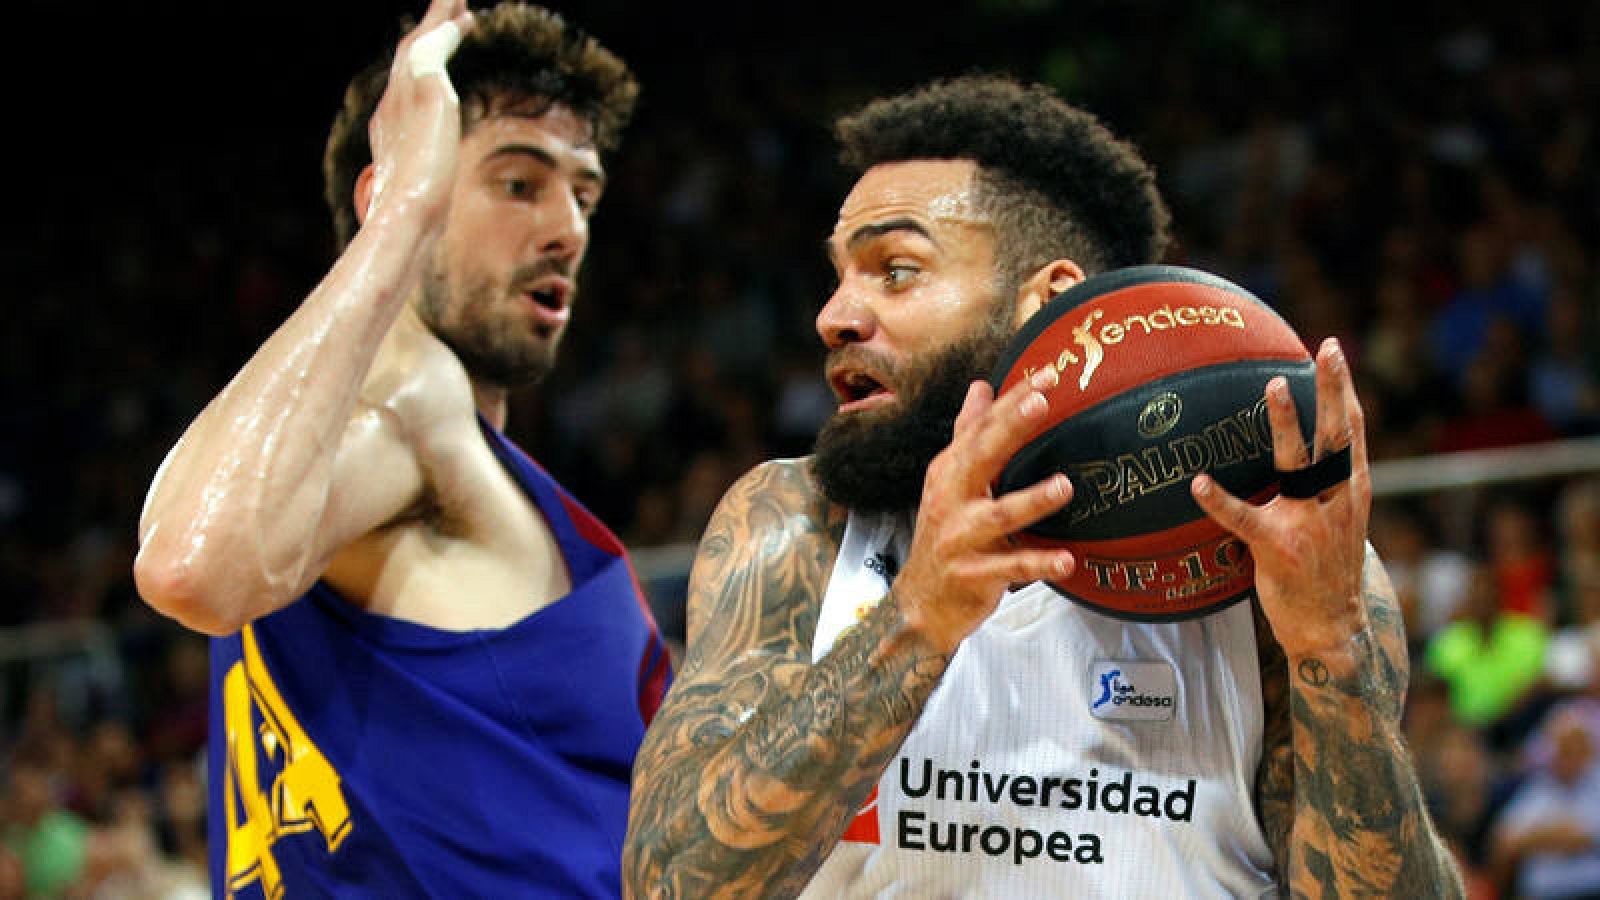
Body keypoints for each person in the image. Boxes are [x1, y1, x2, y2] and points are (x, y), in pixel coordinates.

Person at [622, 75, 1461, 897]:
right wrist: (915, 623)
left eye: (896, 270)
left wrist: (1330, 650)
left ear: (1051, 305)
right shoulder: (798, 524)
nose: (835, 315)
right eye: (840, 273)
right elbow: (668, 884)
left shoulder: (1266, 562)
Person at [132, 2, 671, 896]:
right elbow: (193, 566)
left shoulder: (459, 457)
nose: (568, 229)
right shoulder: (411, 399)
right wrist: (403, 219)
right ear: (391, 189)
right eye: (517, 182)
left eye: (583, 193)